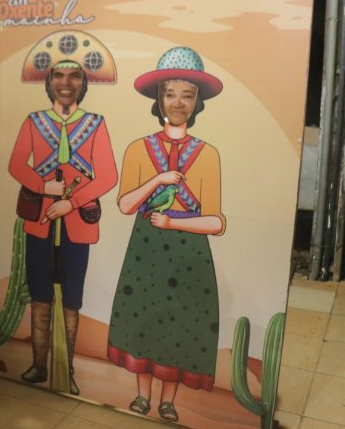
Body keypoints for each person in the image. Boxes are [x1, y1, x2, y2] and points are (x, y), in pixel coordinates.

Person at [107, 47, 226, 422]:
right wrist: (157, 180)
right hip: (146, 250)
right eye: (170, 94)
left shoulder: (207, 155)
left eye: (187, 95)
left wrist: (174, 223)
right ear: (158, 99)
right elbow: (126, 204)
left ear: (197, 102)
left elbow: (216, 222)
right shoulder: (139, 149)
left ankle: (168, 401)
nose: (178, 103)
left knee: (179, 322)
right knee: (145, 316)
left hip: (188, 251)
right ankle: (143, 396)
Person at [8, 58, 118, 394]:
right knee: (40, 294)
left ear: (83, 84)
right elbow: (16, 165)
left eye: (74, 76)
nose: (66, 82)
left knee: (72, 299)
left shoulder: (95, 124)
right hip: (40, 224)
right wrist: (44, 186)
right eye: (58, 75)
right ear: (49, 82)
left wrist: (72, 202)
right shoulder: (34, 122)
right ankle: (40, 366)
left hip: (77, 225)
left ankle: (65, 368)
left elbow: (108, 176)